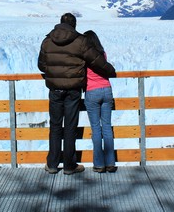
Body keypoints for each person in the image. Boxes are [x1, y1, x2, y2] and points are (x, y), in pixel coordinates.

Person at [38, 13, 116, 175]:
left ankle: (52, 164)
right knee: (70, 127)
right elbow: (96, 61)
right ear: (74, 25)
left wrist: (54, 72)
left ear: (59, 24)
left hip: (55, 90)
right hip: (73, 90)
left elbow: (41, 65)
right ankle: (69, 165)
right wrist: (111, 71)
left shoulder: (47, 41)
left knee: (55, 126)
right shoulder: (80, 41)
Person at [84, 30, 117, 173]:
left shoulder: (85, 56)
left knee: (96, 128)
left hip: (92, 91)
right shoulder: (102, 54)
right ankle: (110, 163)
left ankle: (99, 164)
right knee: (107, 127)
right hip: (107, 90)